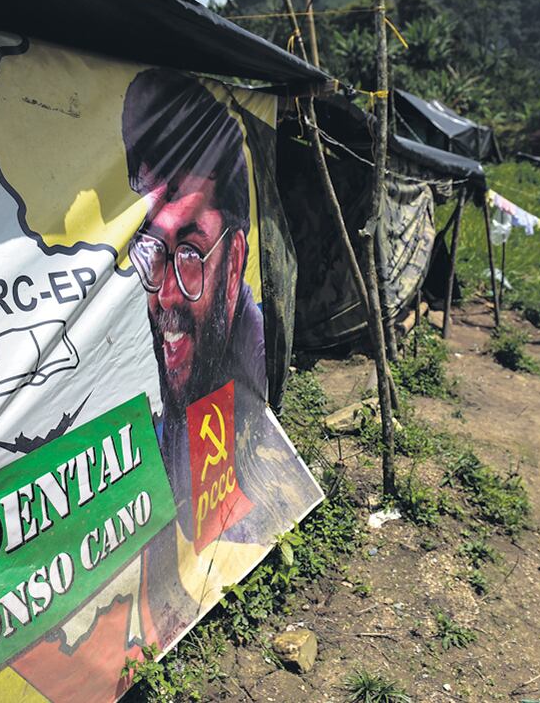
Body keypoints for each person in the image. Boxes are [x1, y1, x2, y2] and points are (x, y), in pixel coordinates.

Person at [121, 69, 319, 647]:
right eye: (152, 252)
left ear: (234, 265)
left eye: (189, 253)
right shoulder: (176, 397)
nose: (165, 295)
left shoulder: (246, 384)